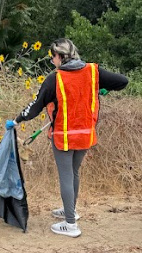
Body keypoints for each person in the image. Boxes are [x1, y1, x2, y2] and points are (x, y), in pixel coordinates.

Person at [9, 38, 128, 238]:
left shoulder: (55, 78)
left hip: (64, 136)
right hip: (85, 135)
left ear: (61, 57)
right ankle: (69, 209)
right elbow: (123, 81)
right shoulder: (93, 72)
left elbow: (35, 106)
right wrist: (101, 87)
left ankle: (70, 224)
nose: (52, 61)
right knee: (73, 173)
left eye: (53, 57)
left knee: (66, 175)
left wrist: (17, 120)